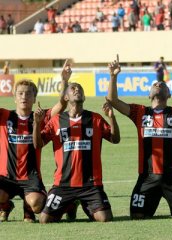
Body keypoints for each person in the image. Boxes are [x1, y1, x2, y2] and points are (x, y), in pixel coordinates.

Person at [106, 55, 172, 219]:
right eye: (155, 84)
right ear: (149, 95)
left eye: (163, 85)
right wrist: (113, 75)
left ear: (169, 95)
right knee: (137, 216)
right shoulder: (139, 112)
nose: (159, 84)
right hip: (147, 177)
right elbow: (113, 100)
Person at [33, 82, 120, 223]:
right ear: (66, 97)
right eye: (73, 89)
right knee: (45, 220)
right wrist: (37, 124)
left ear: (84, 97)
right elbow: (38, 144)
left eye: (80, 89)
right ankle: (71, 204)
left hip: (91, 184)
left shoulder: (95, 118)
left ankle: (83, 203)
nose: (77, 90)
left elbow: (115, 139)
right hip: (63, 184)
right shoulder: (56, 121)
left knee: (104, 218)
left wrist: (112, 117)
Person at [0, 60, 71, 222]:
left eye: (28, 93)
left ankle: (28, 207)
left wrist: (64, 81)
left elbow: (62, 104)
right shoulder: (4, 116)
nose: (24, 96)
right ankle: (5, 206)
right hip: (5, 176)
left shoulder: (40, 116)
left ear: (34, 98)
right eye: (20, 93)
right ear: (14, 98)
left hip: (30, 177)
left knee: (37, 204)